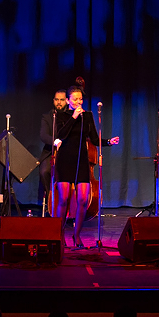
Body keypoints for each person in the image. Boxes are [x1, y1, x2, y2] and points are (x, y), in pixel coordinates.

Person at [53, 85, 119, 248]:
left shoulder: (87, 116)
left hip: (82, 160)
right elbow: (61, 135)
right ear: (68, 100)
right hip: (65, 160)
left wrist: (109, 142)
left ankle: (76, 236)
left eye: (80, 99)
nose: (78, 102)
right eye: (75, 99)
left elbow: (94, 139)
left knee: (83, 200)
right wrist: (74, 117)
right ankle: (59, 235)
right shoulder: (61, 115)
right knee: (64, 199)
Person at [38, 90, 68, 204]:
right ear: (53, 101)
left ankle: (67, 201)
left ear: (67, 101)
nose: (59, 102)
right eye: (57, 100)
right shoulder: (47, 117)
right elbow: (43, 135)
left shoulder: (71, 115)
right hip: (51, 152)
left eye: (62, 100)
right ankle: (51, 201)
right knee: (44, 171)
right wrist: (54, 141)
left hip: (67, 152)